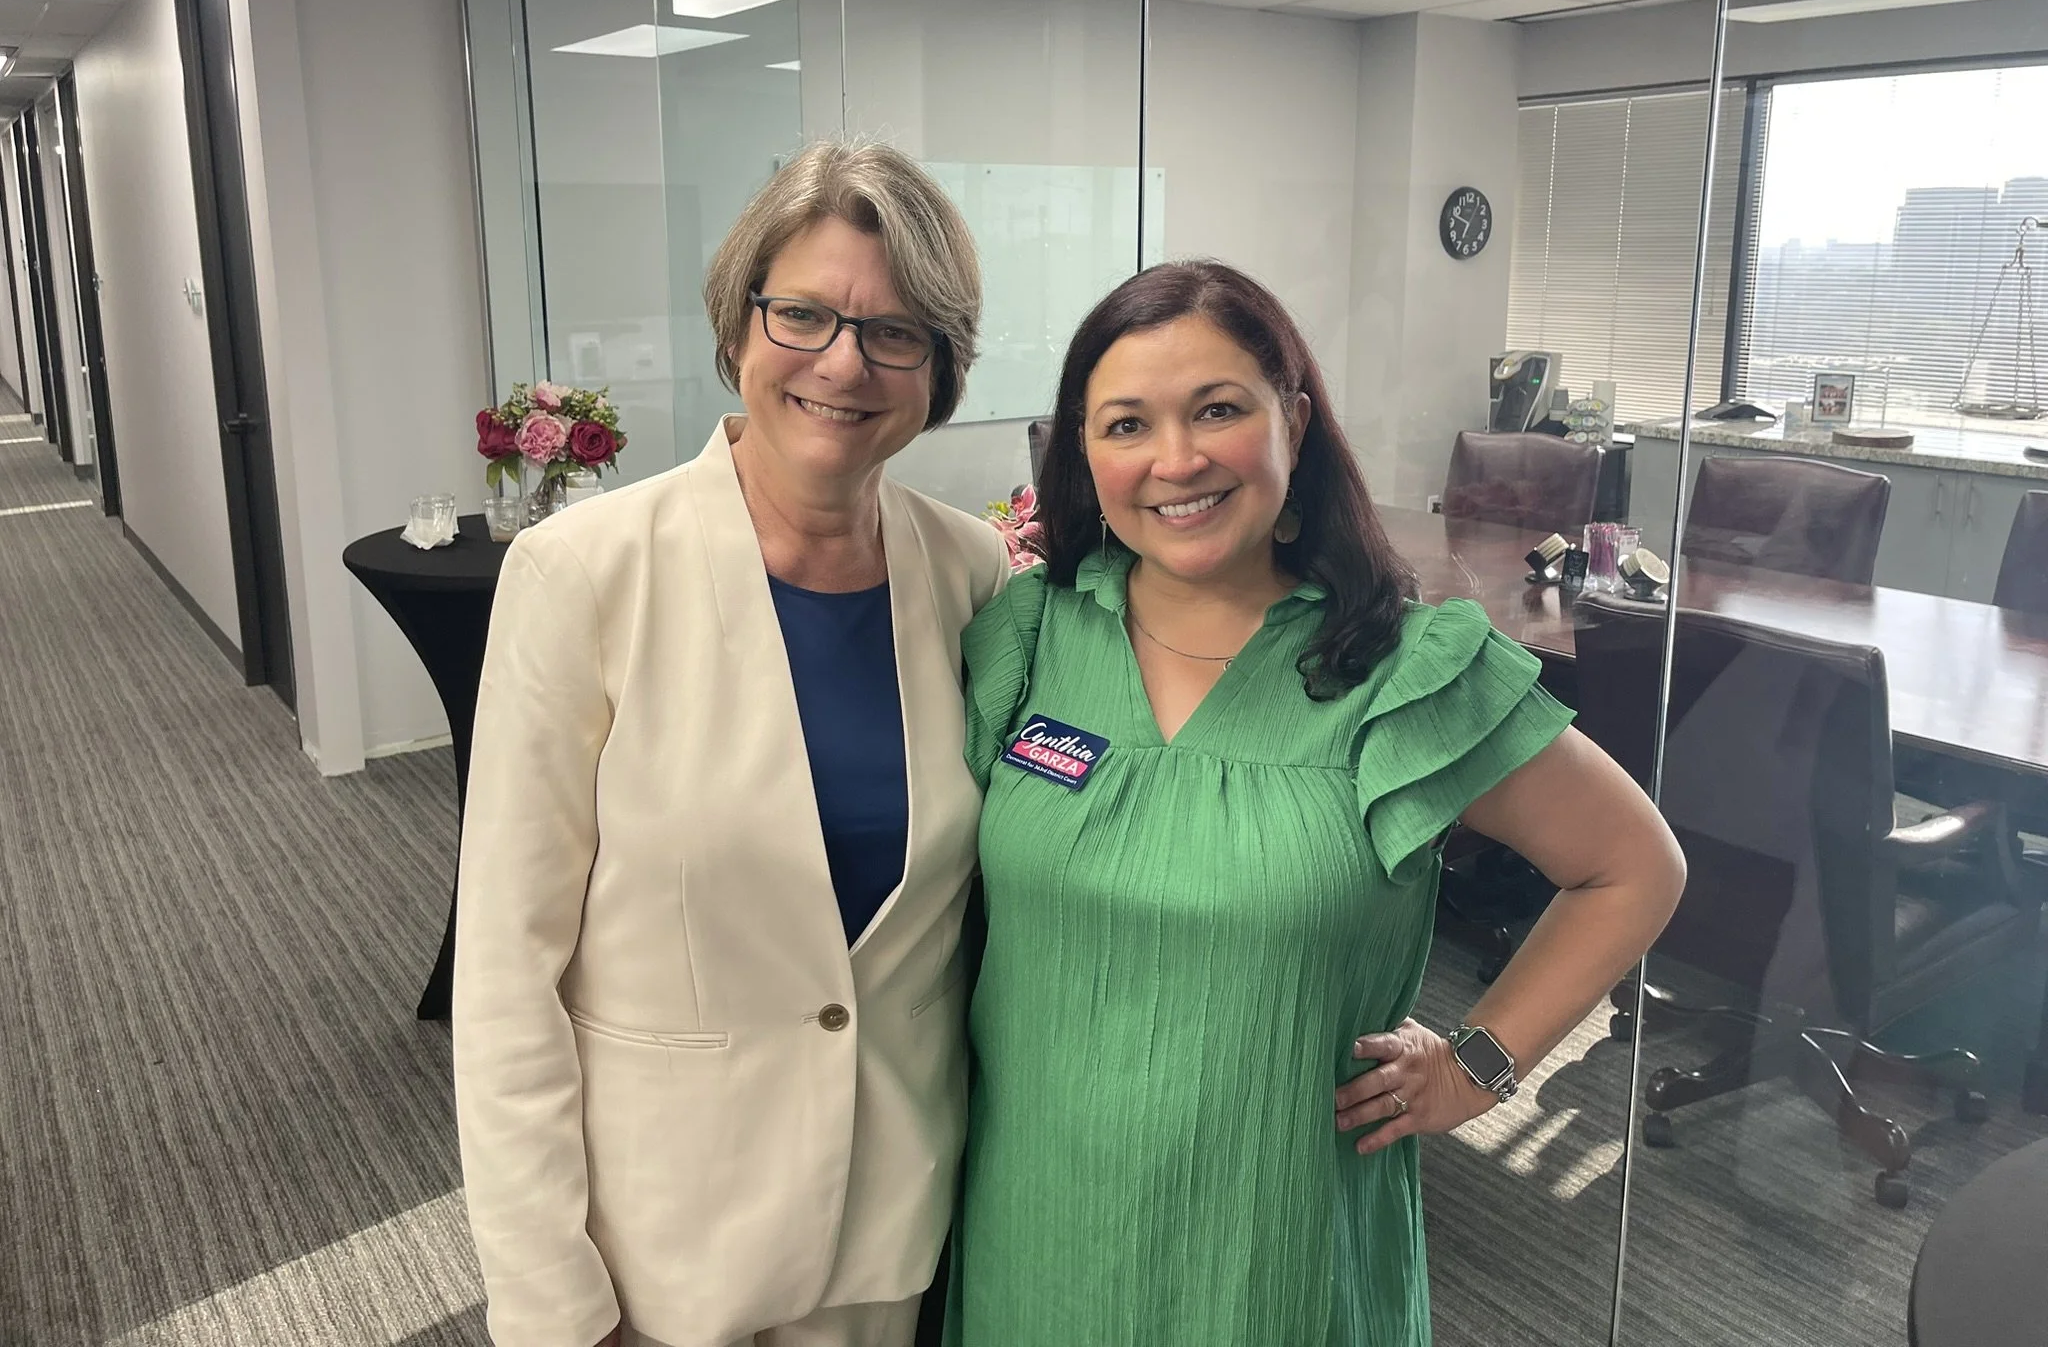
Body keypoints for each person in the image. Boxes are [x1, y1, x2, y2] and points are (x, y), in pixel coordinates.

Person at [949, 261, 1686, 1345]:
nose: (1176, 459)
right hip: (1038, 1231)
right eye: (1126, 424)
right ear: (1083, 454)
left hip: (1275, 1252)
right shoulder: (1025, 637)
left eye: (1217, 409)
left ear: (1291, 421)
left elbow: (1632, 867)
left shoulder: (1404, 671)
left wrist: (1476, 1068)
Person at [453, 140, 1010, 1347]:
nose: (842, 363)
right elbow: (504, 977)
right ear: (738, 322)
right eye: (801, 313)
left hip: (888, 1225)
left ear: (939, 366)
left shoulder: (971, 572)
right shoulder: (583, 574)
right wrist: (551, 1301)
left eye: (894, 332)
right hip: (661, 1250)